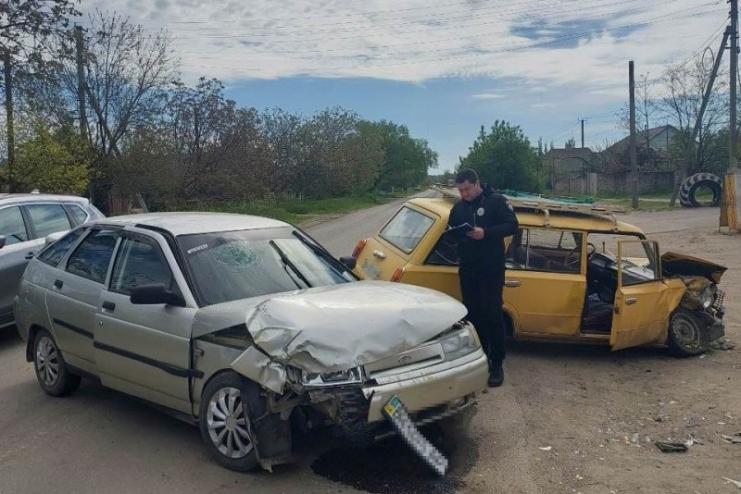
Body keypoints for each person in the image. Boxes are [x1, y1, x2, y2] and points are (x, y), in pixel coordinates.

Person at [447, 168, 518, 387]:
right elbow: (451, 233)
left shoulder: (496, 201)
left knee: (492, 314)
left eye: (467, 189)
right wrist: (451, 236)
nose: (464, 194)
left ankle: (496, 364)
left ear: (477, 184)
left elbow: (512, 225)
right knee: (472, 315)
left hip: (491, 268)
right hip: (468, 269)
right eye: (460, 190)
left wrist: (485, 233)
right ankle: (479, 359)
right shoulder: (458, 208)